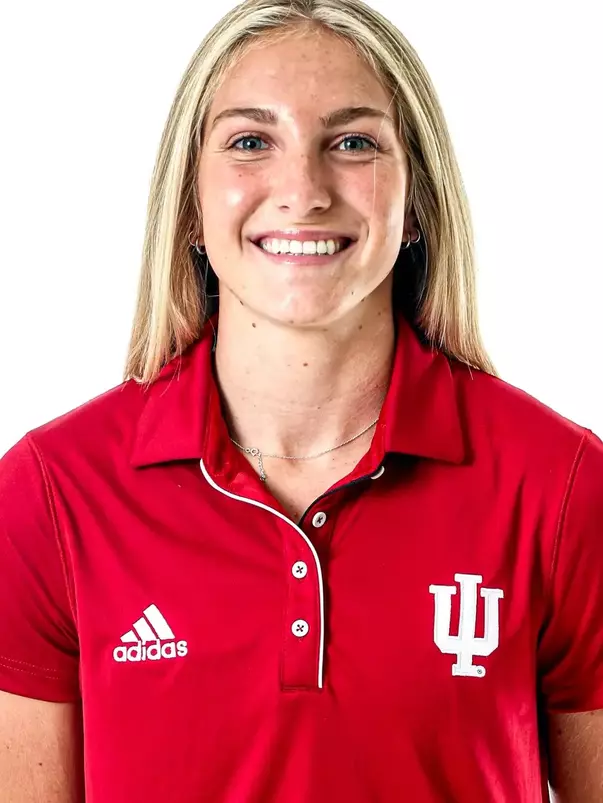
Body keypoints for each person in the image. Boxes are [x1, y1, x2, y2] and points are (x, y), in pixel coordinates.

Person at [0, 0, 602, 800]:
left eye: (351, 142)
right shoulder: (50, 491)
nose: (303, 190)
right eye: (251, 141)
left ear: (415, 200)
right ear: (190, 203)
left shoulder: (560, 484)